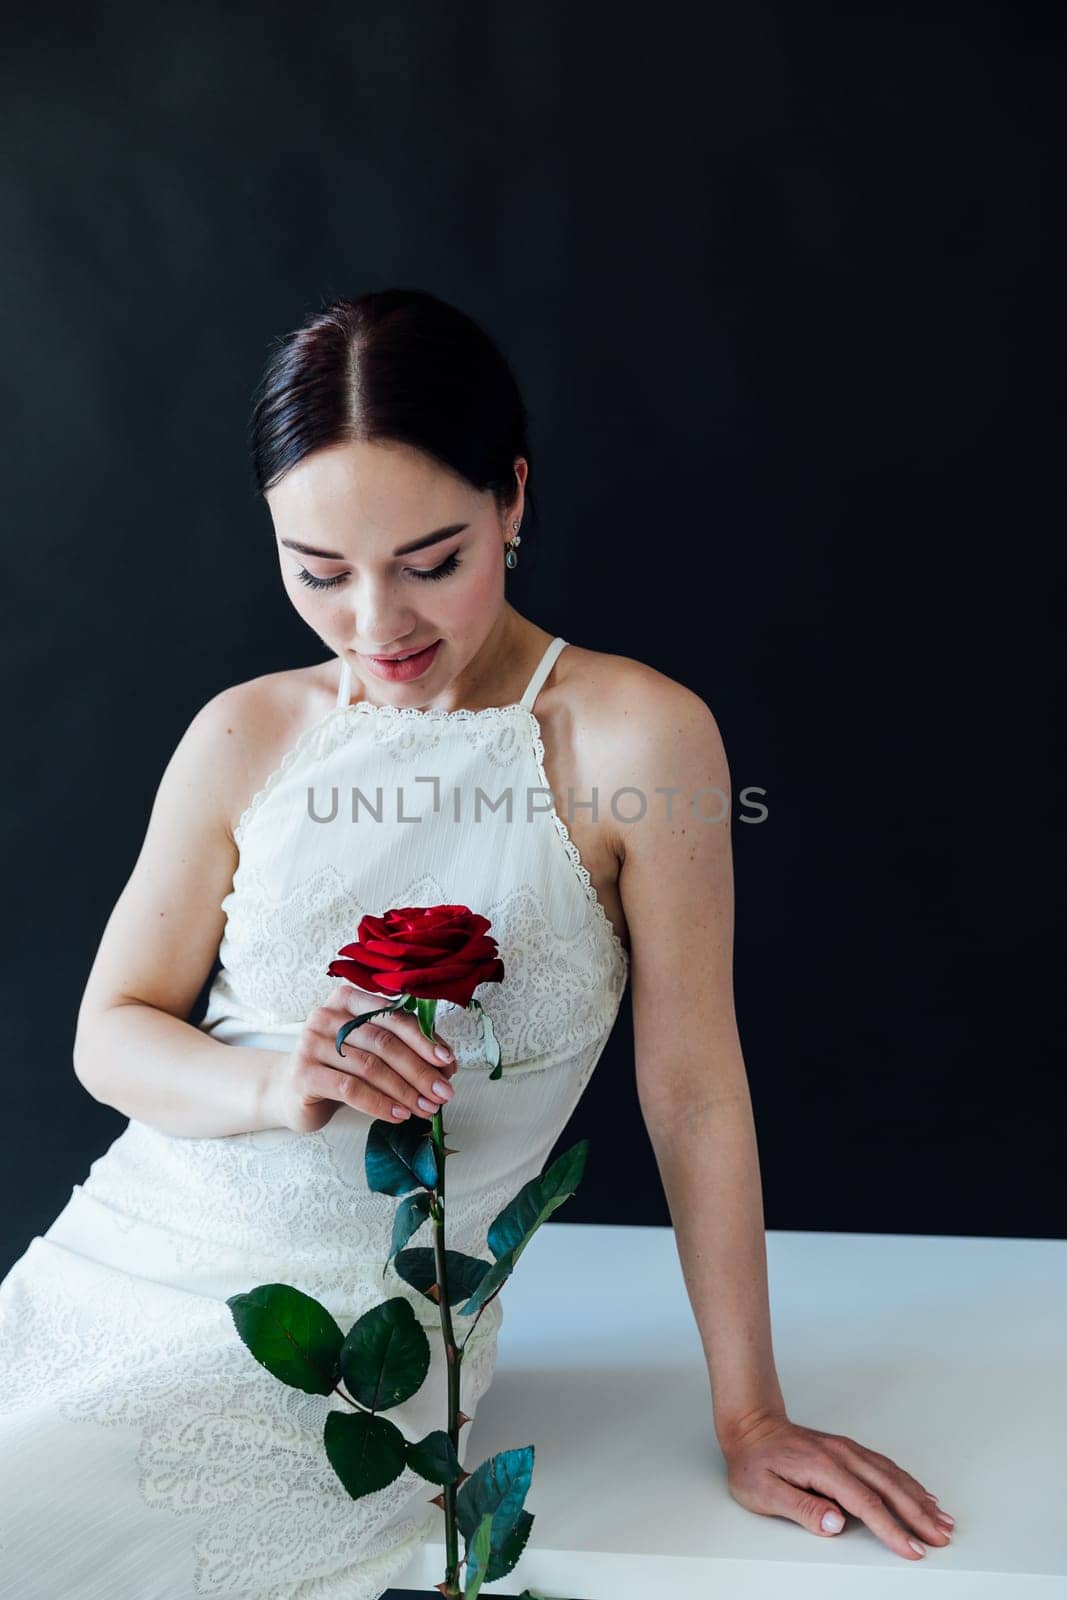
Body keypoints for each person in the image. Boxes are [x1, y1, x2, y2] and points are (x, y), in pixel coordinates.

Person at [0, 288, 953, 1597]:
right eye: (320, 573)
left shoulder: (638, 740)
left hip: (352, 1351)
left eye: (431, 560)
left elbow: (693, 1090)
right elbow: (110, 1036)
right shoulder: (247, 732)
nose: (377, 626)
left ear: (513, 498)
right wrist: (276, 1085)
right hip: (114, 1267)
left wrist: (752, 1416)